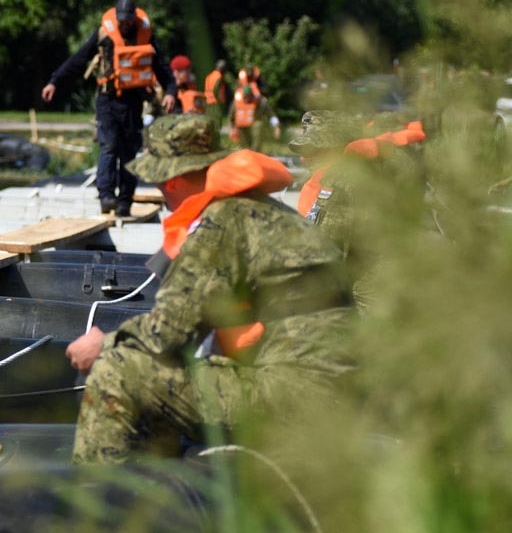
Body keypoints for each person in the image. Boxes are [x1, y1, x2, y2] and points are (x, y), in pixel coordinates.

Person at [67, 114, 354, 463]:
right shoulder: (261, 209)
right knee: (162, 376)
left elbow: (166, 334)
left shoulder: (221, 223)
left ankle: (95, 500)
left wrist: (102, 344)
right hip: (332, 392)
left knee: (116, 369)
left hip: (294, 397)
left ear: (169, 180)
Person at [41, 0, 176, 217]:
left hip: (133, 101)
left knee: (130, 153)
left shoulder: (146, 36)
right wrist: (54, 81)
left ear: (134, 19)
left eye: (128, 21)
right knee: (109, 147)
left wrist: (170, 92)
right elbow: (78, 59)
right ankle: (106, 196)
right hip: (108, 100)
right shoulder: (105, 34)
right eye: (121, 20)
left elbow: (162, 68)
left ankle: (125, 201)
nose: (124, 25)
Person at [291, 110, 427, 310]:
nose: (305, 159)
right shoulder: (378, 167)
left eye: (312, 150)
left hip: (370, 298)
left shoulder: (339, 184)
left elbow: (322, 252)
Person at [226, 68, 280, 149]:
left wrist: (276, 127)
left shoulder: (260, 102)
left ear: (252, 95)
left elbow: (271, 115)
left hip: (254, 130)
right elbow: (230, 118)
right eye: (245, 97)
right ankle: (244, 151)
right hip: (242, 129)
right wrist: (231, 129)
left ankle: (256, 152)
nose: (247, 99)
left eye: (249, 97)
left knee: (258, 125)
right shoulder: (236, 102)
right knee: (244, 147)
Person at [203, 58, 229, 130]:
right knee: (217, 124)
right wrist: (221, 102)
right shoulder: (219, 76)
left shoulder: (209, 76)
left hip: (208, 102)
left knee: (210, 122)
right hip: (215, 102)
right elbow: (217, 90)